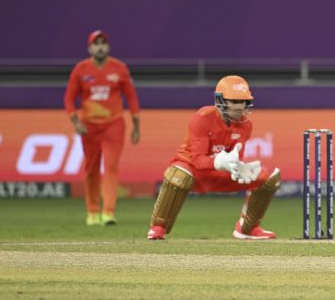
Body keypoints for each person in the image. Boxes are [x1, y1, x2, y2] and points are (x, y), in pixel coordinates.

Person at [147, 75, 279, 241]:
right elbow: (198, 160)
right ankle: (158, 227)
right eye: (234, 101)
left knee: (267, 177)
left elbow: (235, 156)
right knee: (178, 175)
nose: (240, 107)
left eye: (243, 102)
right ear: (220, 100)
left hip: (218, 174)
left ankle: (247, 229)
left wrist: (239, 168)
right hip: (193, 171)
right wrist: (219, 162)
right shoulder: (202, 118)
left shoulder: (246, 125)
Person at [64, 30, 141, 226]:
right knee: (91, 169)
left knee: (111, 166)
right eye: (96, 43)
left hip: (113, 125)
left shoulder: (119, 68)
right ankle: (92, 212)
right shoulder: (81, 70)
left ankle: (108, 212)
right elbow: (69, 99)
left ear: (108, 47)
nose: (100, 46)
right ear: (90, 48)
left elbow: (131, 97)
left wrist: (136, 125)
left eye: (103, 43)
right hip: (89, 127)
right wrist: (76, 122)